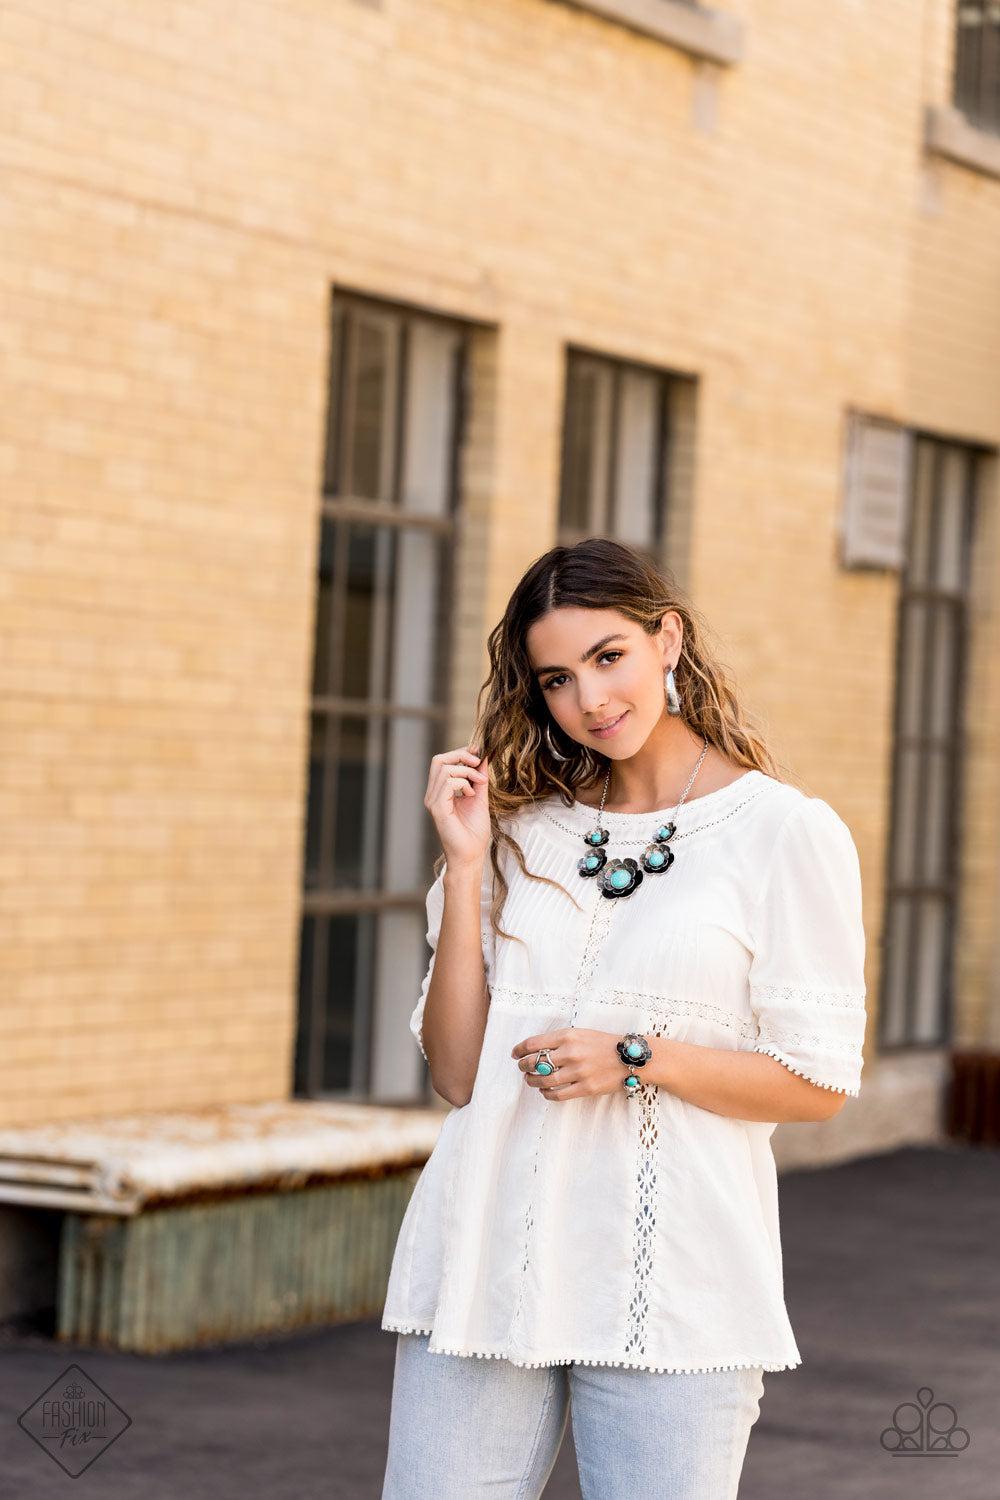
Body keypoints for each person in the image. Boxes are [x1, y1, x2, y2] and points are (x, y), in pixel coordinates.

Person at [380, 537, 867, 1499]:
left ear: (667, 640)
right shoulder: (513, 832)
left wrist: (635, 1056)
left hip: (674, 1286)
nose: (591, 701)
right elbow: (454, 1072)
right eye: (556, 679)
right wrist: (469, 864)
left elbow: (818, 1084)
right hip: (485, 1268)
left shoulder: (781, 833)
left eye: (610, 658)